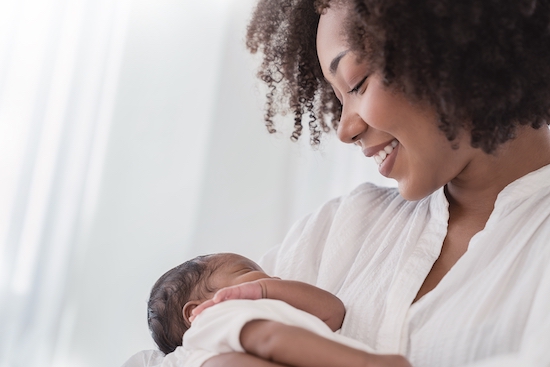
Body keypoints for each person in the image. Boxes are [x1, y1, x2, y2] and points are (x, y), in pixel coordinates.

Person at [125, 0, 550, 366]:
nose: (345, 129)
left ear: (452, 50)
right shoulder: (342, 226)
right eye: (336, 97)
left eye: (357, 83)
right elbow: (175, 349)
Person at [139, 252, 407, 367]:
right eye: (248, 271)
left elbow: (333, 311)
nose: (269, 277)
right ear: (193, 312)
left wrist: (265, 289)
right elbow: (269, 339)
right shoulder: (213, 316)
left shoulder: (279, 311)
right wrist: (367, 363)